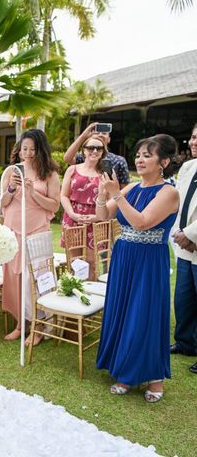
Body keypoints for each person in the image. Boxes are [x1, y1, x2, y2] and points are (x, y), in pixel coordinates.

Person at [95, 134, 179, 403]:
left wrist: (116, 194)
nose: (140, 160)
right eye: (138, 155)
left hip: (148, 260)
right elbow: (103, 215)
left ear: (163, 161)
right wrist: (102, 194)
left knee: (144, 313)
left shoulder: (169, 192)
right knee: (123, 309)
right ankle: (124, 370)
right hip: (124, 256)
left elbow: (142, 222)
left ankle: (154, 378)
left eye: (147, 155)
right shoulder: (131, 188)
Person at [0, 129, 60, 344]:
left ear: (41, 150)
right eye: (25, 148)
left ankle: (39, 325)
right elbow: (3, 203)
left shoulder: (50, 174)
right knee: (15, 278)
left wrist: (33, 192)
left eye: (33, 149)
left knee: (33, 279)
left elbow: (54, 204)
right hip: (13, 230)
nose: (28, 153)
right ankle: (20, 323)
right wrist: (11, 188)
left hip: (36, 231)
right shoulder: (12, 171)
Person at [60, 134, 108, 278]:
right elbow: (64, 195)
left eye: (99, 148)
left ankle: (90, 296)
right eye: (91, 147)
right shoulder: (72, 169)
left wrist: (96, 217)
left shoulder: (106, 174)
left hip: (96, 220)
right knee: (74, 263)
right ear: (84, 150)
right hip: (73, 218)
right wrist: (72, 214)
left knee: (91, 264)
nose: (94, 151)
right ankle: (73, 294)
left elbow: (112, 201)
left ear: (103, 152)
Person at [170, 123, 197, 374]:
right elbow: (179, 203)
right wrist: (180, 234)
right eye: (192, 137)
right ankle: (186, 342)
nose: (193, 142)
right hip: (184, 245)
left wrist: (190, 235)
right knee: (184, 297)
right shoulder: (188, 167)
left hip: (194, 239)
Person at [64, 123, 130, 188]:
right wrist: (83, 136)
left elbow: (124, 189)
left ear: (109, 139)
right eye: (96, 133)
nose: (100, 135)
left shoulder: (119, 161)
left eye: (104, 133)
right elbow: (67, 159)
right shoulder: (84, 157)